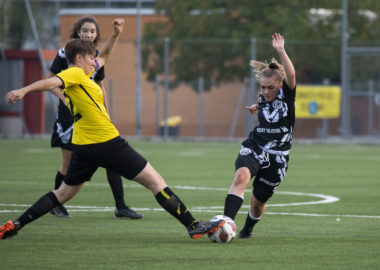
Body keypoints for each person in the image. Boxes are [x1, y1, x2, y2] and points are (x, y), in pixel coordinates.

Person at [0, 18, 224, 240]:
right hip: (106, 142)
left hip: (84, 146)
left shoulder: (85, 73)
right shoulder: (75, 73)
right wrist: (24, 90)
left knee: (62, 194)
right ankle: (194, 225)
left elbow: (104, 57)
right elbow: (51, 82)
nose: (93, 61)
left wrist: (116, 34)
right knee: (156, 182)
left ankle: (17, 223)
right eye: (90, 57)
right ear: (79, 58)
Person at [48, 16, 142, 219]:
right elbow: (51, 81)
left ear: (97, 34)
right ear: (77, 32)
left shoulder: (95, 57)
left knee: (111, 158)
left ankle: (121, 207)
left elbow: (99, 85)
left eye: (92, 31)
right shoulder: (66, 53)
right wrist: (65, 99)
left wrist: (106, 114)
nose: (88, 34)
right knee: (68, 163)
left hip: (93, 116)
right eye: (84, 31)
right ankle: (57, 205)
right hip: (69, 116)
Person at [223, 33, 296, 238]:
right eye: (262, 87)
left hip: (278, 156)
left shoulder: (287, 95)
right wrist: (258, 105)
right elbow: (266, 103)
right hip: (255, 146)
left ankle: (247, 228)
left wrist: (280, 50)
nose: (265, 91)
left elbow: (291, 75)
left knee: (258, 203)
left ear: (280, 86)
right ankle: (225, 223)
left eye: (270, 87)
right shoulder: (263, 96)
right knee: (240, 177)